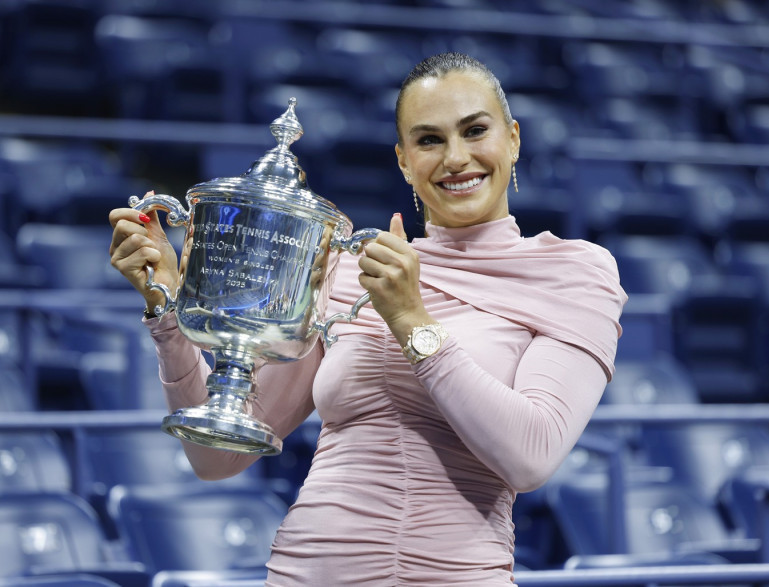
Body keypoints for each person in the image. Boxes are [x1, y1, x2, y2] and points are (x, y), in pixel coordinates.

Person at [109, 52, 627, 586]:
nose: (456, 157)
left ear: (513, 139)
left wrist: (409, 318)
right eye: (429, 140)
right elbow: (215, 459)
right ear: (403, 161)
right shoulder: (351, 269)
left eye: (475, 131)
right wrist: (167, 309)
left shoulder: (573, 273)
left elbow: (530, 457)